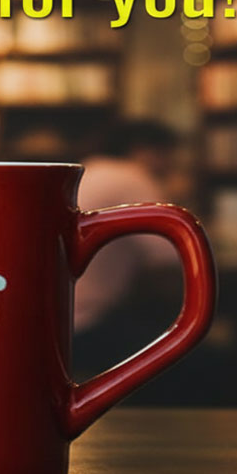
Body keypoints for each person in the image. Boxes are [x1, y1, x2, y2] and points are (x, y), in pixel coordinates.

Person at [74, 120, 182, 333]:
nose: (169, 164)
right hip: (92, 319)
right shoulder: (132, 176)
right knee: (209, 359)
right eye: (166, 155)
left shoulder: (87, 169)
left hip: (62, 315)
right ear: (142, 150)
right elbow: (171, 253)